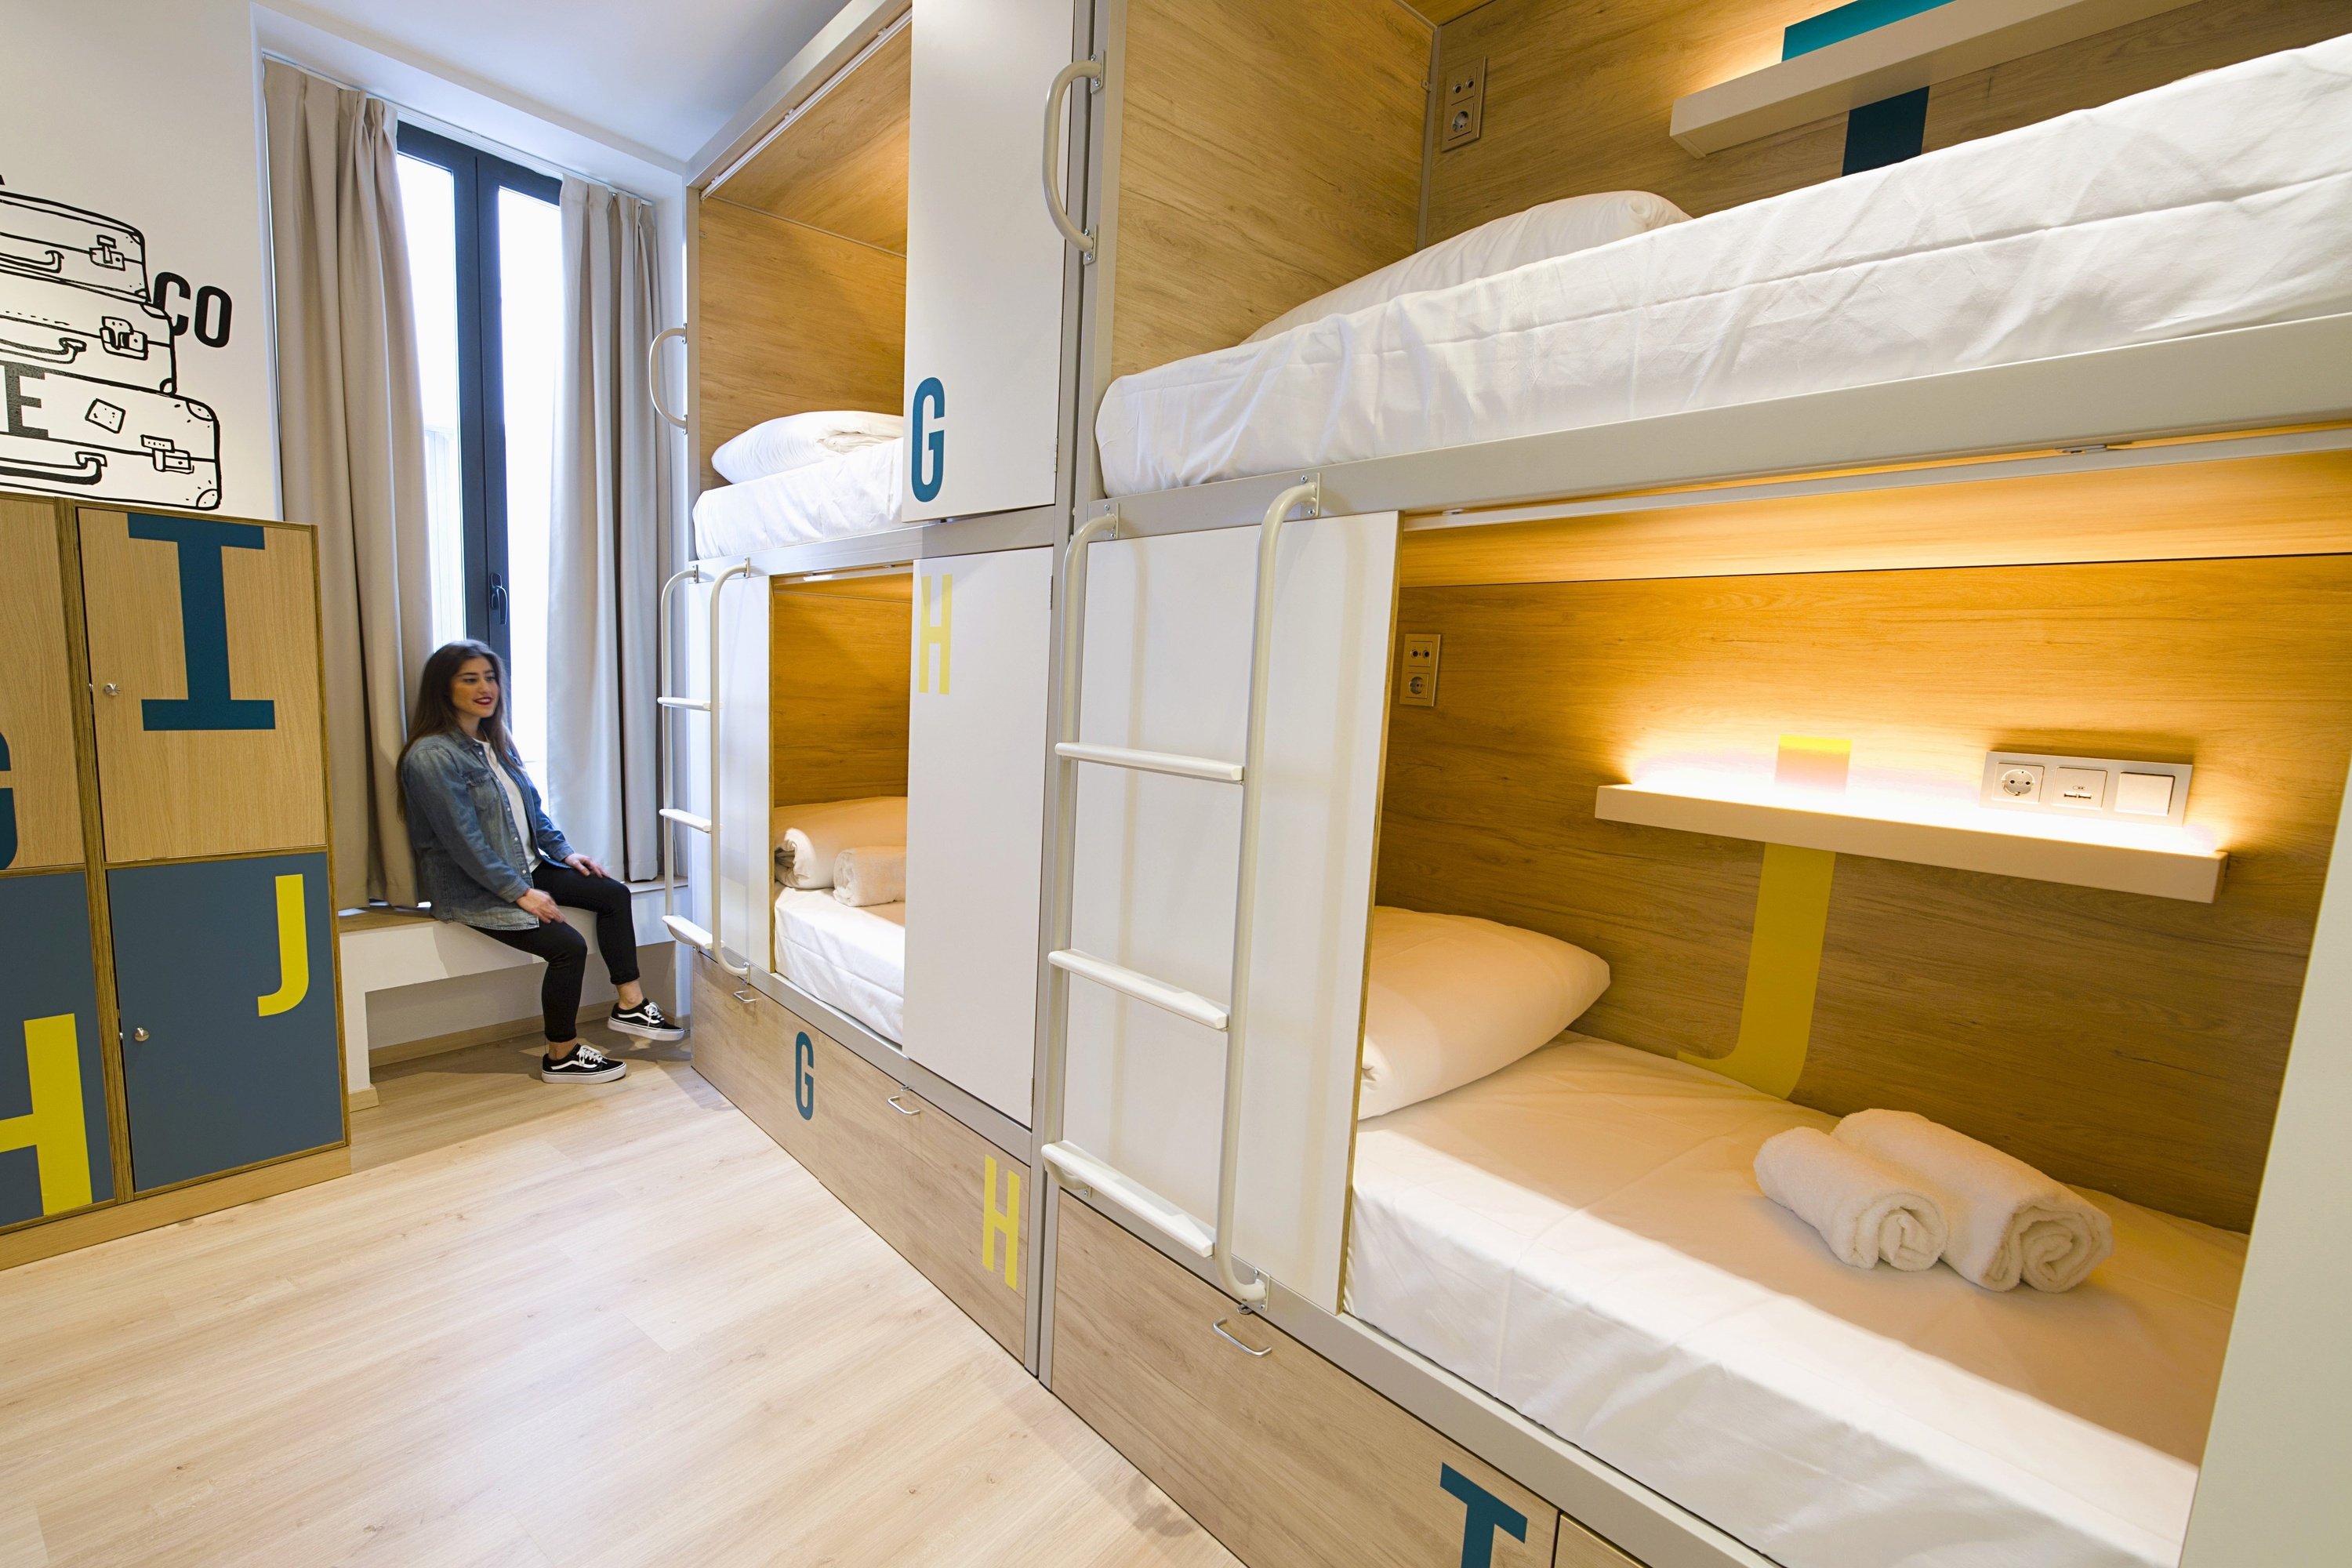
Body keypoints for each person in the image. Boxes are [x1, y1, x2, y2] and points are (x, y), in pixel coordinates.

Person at [396, 640, 681, 1083]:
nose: (484, 687)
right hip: (476, 885)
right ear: (442, 688)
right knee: (567, 947)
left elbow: (529, 810)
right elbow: (464, 842)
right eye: (469, 679)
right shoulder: (433, 756)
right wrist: (522, 894)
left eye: (490, 678)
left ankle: (630, 1005)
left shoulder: (491, 743)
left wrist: (565, 853)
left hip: (525, 866)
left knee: (611, 893)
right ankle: (561, 1054)